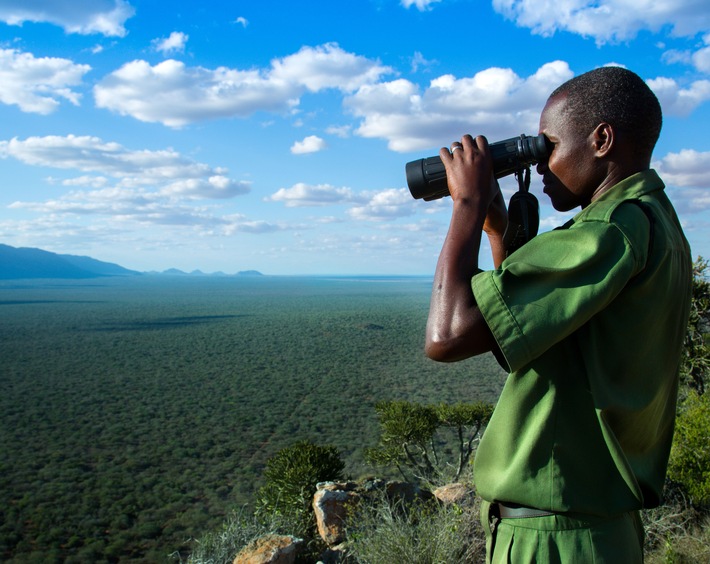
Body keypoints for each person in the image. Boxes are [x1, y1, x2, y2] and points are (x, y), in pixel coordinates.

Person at [425, 66, 692, 563]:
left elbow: (447, 334)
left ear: (602, 140)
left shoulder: (608, 231)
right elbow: (533, 340)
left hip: (558, 540)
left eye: (549, 146)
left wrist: (465, 203)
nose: (542, 164)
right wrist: (498, 230)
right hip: (590, 532)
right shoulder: (653, 221)